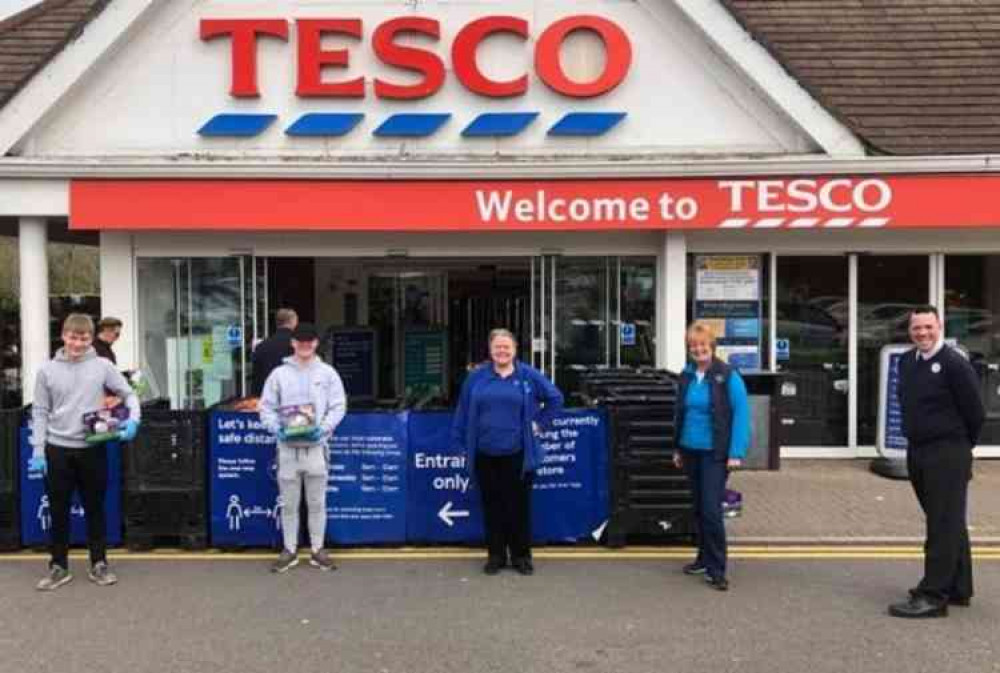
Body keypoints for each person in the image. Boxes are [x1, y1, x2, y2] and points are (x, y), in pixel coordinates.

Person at [28, 313, 141, 591]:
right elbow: (40, 411)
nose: (77, 343)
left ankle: (99, 563)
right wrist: (38, 450)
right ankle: (58, 567)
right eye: (73, 337)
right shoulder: (46, 371)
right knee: (58, 510)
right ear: (63, 336)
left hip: (93, 447)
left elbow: (128, 393)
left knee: (95, 509)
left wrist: (133, 418)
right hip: (57, 450)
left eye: (84, 338)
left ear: (92, 338)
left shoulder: (102, 366)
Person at [889, 305, 984, 618]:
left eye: (928, 327)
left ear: (939, 326)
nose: (923, 333)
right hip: (918, 451)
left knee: (940, 525)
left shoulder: (955, 364)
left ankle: (933, 596)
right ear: (910, 331)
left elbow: (975, 413)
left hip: (948, 452)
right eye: (917, 328)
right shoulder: (907, 361)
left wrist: (959, 447)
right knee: (948, 520)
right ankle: (959, 587)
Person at [451, 328, 564, 576]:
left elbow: (555, 399)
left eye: (506, 347)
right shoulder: (476, 378)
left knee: (518, 507)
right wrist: (460, 445)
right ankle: (496, 555)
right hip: (484, 452)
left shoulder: (528, 376)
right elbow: (462, 411)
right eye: (497, 347)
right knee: (492, 506)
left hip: (518, 454)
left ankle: (521, 556)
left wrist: (538, 424)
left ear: (514, 350)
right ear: (490, 351)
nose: (502, 351)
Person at [259, 322, 346, 573]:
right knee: (289, 504)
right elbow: (266, 407)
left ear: (316, 344)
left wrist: (325, 429)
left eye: (310, 341)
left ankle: (318, 550)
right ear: (293, 343)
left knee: (317, 503)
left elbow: (339, 405)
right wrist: (277, 429)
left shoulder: (327, 373)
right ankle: (290, 550)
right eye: (300, 341)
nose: (305, 346)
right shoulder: (279, 374)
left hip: (316, 449)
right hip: (287, 450)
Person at [672, 321, 749, 592]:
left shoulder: (728, 376)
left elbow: (741, 415)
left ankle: (717, 569)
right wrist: (677, 448)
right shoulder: (687, 375)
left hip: (716, 452)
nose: (698, 349)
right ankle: (703, 559)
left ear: (712, 346)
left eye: (703, 344)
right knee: (697, 509)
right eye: (693, 345)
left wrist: (736, 452)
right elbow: (680, 413)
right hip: (690, 449)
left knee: (711, 510)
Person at [251, 308, 298, 396]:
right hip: (292, 398)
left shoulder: (261, 346)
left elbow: (256, 378)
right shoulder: (299, 345)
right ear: (293, 322)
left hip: (266, 397)